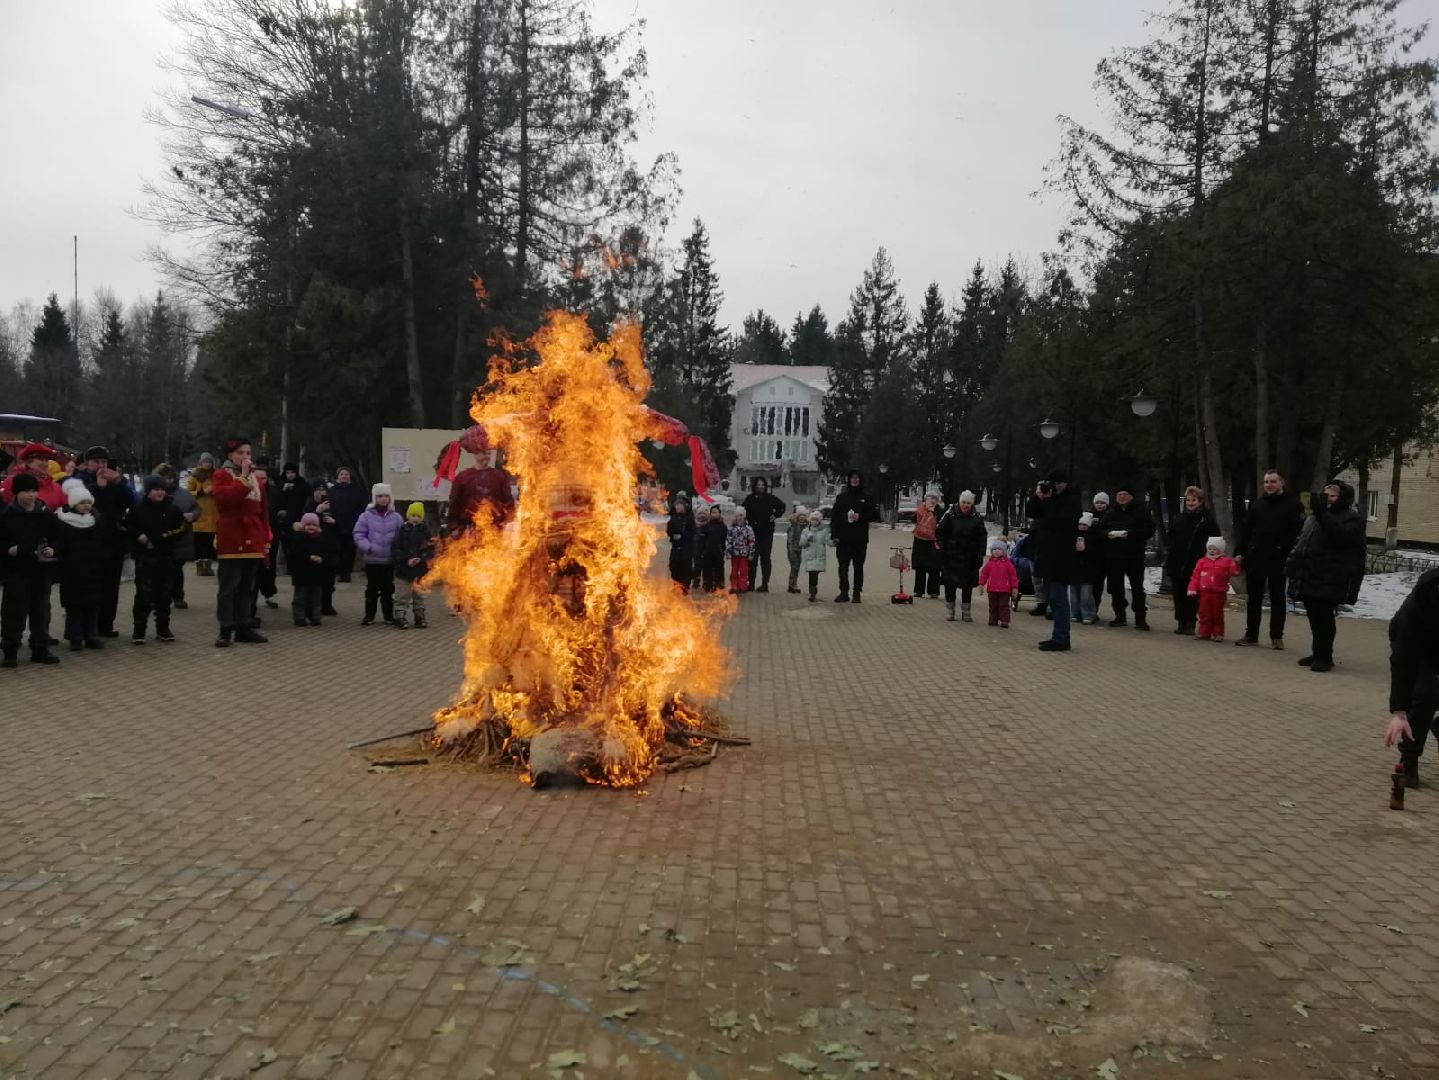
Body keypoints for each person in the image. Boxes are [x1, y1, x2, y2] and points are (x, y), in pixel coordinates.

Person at [1285, 480, 1365, 673]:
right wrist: (1293, 563)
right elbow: (1303, 541)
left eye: (1332, 495)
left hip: (1332, 574)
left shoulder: (1352, 518)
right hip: (1311, 572)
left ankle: (1325, 657)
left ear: (1342, 498)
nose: (1327, 499)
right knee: (1314, 615)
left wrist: (1322, 513)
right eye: (1325, 494)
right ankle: (1317, 652)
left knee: (1324, 617)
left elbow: (1341, 536)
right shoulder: (1315, 517)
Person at [210, 437, 271, 647]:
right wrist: (243, 478)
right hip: (232, 536)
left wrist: (265, 537)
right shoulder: (220, 475)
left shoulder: (258, 481)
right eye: (240, 453)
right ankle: (225, 628)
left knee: (248, 587)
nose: (245, 457)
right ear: (230, 456)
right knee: (229, 587)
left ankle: (244, 626)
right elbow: (225, 500)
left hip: (252, 536)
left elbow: (263, 512)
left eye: (248, 453)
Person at [70, 446, 137, 638]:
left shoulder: (116, 481)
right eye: (97, 462)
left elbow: (132, 500)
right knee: (90, 585)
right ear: (88, 463)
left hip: (113, 541)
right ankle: (87, 627)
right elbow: (76, 503)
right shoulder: (79, 480)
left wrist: (117, 482)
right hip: (88, 541)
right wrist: (97, 488)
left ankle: (106, 624)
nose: (101, 466)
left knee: (111, 586)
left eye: (104, 462)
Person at [1235, 470, 1303, 650]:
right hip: (1255, 557)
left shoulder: (1293, 505)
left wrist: (1283, 550)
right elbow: (1247, 529)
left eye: (1272, 481)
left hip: (1278, 559)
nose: (1269, 485)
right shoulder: (1258, 504)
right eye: (1266, 482)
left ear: (1282, 483)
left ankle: (1276, 636)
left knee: (1277, 598)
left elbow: (1295, 532)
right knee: (1254, 599)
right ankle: (1251, 634)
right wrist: (1240, 551)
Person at [1384, 568, 1439, 788]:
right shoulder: (1423, 601)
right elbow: (1404, 659)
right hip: (1419, 648)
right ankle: (1409, 760)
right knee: (1426, 695)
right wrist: (1399, 711)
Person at [0, 473, 59, 666]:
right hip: (16, 571)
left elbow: (58, 536)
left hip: (41, 570)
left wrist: (53, 548)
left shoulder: (45, 514)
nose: (31, 495)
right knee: (13, 613)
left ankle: (40, 649)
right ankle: (10, 650)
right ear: (17, 493)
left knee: (40, 612)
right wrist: (9, 549)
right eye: (26, 491)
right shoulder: (7, 516)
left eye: (34, 491)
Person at [124, 475, 186, 644]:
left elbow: (182, 527)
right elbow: (127, 526)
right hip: (145, 557)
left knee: (164, 594)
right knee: (144, 594)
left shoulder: (172, 509)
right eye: (156, 489)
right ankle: (139, 629)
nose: (160, 492)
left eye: (162, 489)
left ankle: (163, 628)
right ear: (148, 491)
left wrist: (165, 537)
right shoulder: (138, 509)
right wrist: (139, 536)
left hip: (165, 556)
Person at [1027, 470, 1083, 652]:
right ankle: (1058, 636)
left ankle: (1061, 639)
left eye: (1059, 483)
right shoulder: (1048, 499)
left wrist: (1049, 500)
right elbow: (1032, 512)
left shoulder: (1072, 500)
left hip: (1061, 556)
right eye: (1053, 483)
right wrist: (1037, 497)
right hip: (1046, 554)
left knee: (1059, 599)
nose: (1056, 487)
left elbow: (1058, 521)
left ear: (1066, 484)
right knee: (1052, 597)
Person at [53, 480, 107, 650]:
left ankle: (92, 635)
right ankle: (75, 637)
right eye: (82, 503)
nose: (86, 506)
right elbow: (60, 545)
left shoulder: (96, 521)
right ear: (74, 503)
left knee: (93, 605)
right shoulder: (64, 522)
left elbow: (103, 544)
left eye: (88, 502)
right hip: (72, 570)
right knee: (74, 606)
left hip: (93, 570)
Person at [1165, 486, 1220, 636]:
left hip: (1197, 562)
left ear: (1200, 501)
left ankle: (1190, 622)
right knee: (1178, 594)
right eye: (1188, 500)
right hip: (1177, 560)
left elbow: (1215, 539)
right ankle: (1180, 622)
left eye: (1193, 500)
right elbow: (1171, 536)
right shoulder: (1179, 518)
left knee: (1192, 594)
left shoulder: (1206, 519)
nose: (1190, 503)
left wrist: (1208, 557)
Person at [444, 426, 516, 539]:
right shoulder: (463, 477)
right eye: (483, 453)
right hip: (469, 531)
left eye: (488, 453)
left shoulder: (499, 476)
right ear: (475, 454)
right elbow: (455, 504)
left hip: (495, 531)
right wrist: (454, 527)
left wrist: (509, 522)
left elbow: (508, 502)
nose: (486, 456)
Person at [1099, 485, 1153, 630]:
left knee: (1137, 588)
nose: (1121, 497)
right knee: (1115, 588)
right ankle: (1119, 616)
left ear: (1131, 496)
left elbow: (1149, 530)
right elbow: (1099, 531)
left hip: (1134, 556)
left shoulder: (1141, 512)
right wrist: (1108, 534)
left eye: (1124, 494)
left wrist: (1129, 534)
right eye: (1119, 494)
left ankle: (1140, 618)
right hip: (1113, 556)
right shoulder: (1110, 513)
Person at [354, 483, 402, 625]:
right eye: (380, 496)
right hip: (372, 560)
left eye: (386, 496)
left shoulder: (397, 517)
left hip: (389, 560)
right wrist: (368, 547)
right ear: (375, 498)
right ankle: (369, 615)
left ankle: (388, 616)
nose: (383, 499)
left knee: (388, 589)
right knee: (372, 589)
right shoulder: (366, 516)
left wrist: (398, 551)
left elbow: (402, 535)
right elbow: (358, 534)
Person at [830, 469, 879, 603]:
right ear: (849, 480)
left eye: (857, 478)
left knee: (858, 567)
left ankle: (857, 593)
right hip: (843, 539)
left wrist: (861, 516)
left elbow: (875, 515)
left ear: (860, 480)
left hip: (859, 539)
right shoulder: (842, 497)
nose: (855, 480)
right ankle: (843, 592)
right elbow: (834, 518)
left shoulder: (867, 497)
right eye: (852, 478)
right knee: (843, 567)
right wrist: (834, 535)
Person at [937, 490, 986, 623]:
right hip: (951, 555)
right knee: (949, 585)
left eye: (968, 503)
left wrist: (981, 553)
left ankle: (966, 612)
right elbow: (940, 531)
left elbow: (983, 536)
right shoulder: (950, 514)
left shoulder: (977, 517)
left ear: (972, 504)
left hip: (970, 557)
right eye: (963, 502)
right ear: (959, 501)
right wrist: (942, 547)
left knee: (967, 586)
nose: (966, 505)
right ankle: (950, 610)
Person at [156, 463, 199, 609]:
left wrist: (192, 515)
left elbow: (197, 508)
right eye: (164, 478)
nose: (167, 481)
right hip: (159, 539)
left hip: (179, 539)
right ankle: (161, 597)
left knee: (175, 569)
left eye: (170, 478)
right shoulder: (150, 493)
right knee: (160, 570)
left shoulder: (183, 494)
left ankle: (177, 596)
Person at [1187, 537, 1241, 642]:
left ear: (1220, 550)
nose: (1212, 551)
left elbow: (1235, 572)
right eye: (1210, 549)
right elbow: (1195, 576)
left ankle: (1218, 633)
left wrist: (1237, 563)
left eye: (1214, 549)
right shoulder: (1202, 562)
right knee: (1203, 612)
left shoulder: (1226, 561)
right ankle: (1204, 632)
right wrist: (1192, 588)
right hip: (1204, 592)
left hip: (1219, 592)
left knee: (1217, 614)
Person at [289, 512, 338, 627]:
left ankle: (316, 617)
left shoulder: (322, 540)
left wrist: (322, 559)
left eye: (314, 525)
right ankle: (299, 617)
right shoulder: (298, 539)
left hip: (317, 574)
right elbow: (294, 554)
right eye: (308, 524)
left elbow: (328, 553)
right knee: (300, 598)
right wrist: (309, 557)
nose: (311, 527)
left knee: (316, 598)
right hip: (302, 574)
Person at [739, 478, 786, 592]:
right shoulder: (749, 499)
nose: (760, 486)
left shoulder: (770, 498)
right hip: (752, 533)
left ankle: (765, 584)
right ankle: (751, 583)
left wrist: (775, 515)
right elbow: (742, 511)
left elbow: (782, 506)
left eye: (762, 485)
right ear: (754, 486)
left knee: (765, 558)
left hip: (766, 533)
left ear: (765, 486)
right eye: (758, 484)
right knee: (752, 559)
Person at [393, 502, 434, 629]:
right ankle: (400, 616)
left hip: (420, 569)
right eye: (413, 515)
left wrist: (421, 558)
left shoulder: (426, 531)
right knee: (402, 594)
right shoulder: (402, 530)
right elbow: (397, 549)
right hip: (404, 569)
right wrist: (406, 560)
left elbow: (430, 548)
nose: (415, 518)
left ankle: (419, 616)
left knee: (419, 595)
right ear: (408, 516)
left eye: (418, 516)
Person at [303, 480, 341, 615]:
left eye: (324, 489)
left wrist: (334, 522)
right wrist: (317, 512)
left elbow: (341, 526)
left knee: (329, 581)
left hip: (330, 547)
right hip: (315, 547)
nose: (321, 492)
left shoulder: (332, 505)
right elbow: (306, 524)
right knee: (315, 580)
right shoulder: (309, 506)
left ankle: (327, 604)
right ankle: (312, 607)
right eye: (318, 490)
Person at [327, 466, 367, 582]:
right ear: (337, 476)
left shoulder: (357, 490)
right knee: (337, 550)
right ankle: (339, 571)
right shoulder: (332, 491)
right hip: (335, 524)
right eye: (342, 474)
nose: (344, 476)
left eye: (346, 474)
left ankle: (347, 572)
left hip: (352, 524)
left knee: (350, 550)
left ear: (349, 476)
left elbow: (362, 506)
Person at [1, 444, 66, 509]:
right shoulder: (12, 482)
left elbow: (65, 510)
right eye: (40, 459)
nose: (45, 463)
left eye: (46, 460)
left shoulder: (56, 487)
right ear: (28, 462)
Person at [187, 452, 219, 577]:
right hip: (200, 512)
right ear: (201, 462)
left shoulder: (216, 475)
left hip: (213, 513)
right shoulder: (194, 476)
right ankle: (200, 567)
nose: (207, 464)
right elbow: (189, 492)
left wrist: (215, 491)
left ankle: (208, 566)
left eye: (209, 462)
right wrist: (201, 492)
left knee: (210, 542)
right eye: (205, 461)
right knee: (199, 542)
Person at [978, 537, 1020, 628]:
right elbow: (984, 574)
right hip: (992, 589)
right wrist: (981, 584)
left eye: (999, 549)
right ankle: (993, 619)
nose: (997, 551)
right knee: (993, 606)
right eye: (995, 549)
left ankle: (1004, 620)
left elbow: (1013, 577)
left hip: (1005, 590)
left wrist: (1014, 588)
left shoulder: (1008, 564)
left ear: (1004, 551)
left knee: (1003, 606)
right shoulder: (989, 563)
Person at [1070, 512, 1101, 626]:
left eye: (1085, 524)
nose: (1082, 526)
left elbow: (1097, 552)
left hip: (1088, 569)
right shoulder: (1073, 535)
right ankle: (1075, 613)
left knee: (1086, 593)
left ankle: (1088, 614)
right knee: (1074, 593)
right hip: (1074, 568)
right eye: (1080, 524)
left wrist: (1085, 549)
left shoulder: (1094, 536)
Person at [911, 493, 942, 599]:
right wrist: (924, 513)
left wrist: (934, 514)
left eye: (935, 498)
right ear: (925, 500)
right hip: (920, 541)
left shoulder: (940, 511)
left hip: (933, 542)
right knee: (920, 567)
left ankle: (933, 591)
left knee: (935, 568)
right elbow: (914, 520)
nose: (932, 501)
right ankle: (918, 591)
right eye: (930, 498)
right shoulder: (920, 509)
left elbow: (943, 525)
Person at [666, 496, 697, 594]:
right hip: (676, 546)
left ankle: (685, 586)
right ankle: (676, 584)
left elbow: (693, 532)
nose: (678, 508)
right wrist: (672, 535)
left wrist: (682, 535)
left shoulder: (689, 519)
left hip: (686, 547)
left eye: (680, 506)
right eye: (677, 506)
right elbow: (669, 530)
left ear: (685, 507)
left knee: (685, 567)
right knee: (674, 565)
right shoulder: (673, 518)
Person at [799, 509, 830, 602]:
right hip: (810, 557)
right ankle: (812, 593)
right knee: (812, 574)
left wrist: (834, 542)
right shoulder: (805, 531)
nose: (814, 521)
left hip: (819, 557)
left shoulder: (823, 531)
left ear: (820, 521)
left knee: (815, 574)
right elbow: (801, 543)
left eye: (816, 519)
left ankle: (813, 592)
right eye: (812, 519)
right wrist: (807, 539)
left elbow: (827, 541)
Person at [696, 506, 728, 594]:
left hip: (718, 551)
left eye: (716, 512)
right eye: (712, 512)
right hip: (707, 552)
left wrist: (723, 549)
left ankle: (719, 584)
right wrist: (702, 550)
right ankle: (707, 584)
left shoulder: (723, 527)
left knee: (719, 568)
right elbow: (702, 540)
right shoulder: (706, 526)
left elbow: (725, 539)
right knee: (707, 568)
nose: (714, 514)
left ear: (719, 514)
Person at [726, 508, 757, 595]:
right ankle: (734, 586)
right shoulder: (731, 528)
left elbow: (751, 541)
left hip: (744, 554)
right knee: (734, 570)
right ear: (735, 516)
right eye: (738, 515)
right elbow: (729, 540)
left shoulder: (748, 529)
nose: (740, 517)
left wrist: (751, 553)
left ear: (745, 517)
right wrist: (728, 551)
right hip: (734, 554)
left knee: (744, 571)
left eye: (742, 515)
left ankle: (743, 586)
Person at [784, 503, 808, 594]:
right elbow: (790, 539)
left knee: (797, 568)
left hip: (799, 550)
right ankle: (792, 585)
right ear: (797, 516)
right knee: (794, 567)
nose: (802, 517)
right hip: (793, 549)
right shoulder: (793, 526)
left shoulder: (805, 526)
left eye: (803, 515)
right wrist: (790, 549)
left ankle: (793, 584)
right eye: (800, 515)